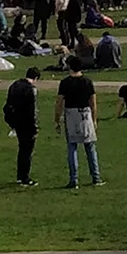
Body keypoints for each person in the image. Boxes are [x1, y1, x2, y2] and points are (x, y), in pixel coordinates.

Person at [55, 56, 102, 189]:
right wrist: (94, 119)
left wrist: (57, 119)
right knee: (90, 147)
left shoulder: (65, 83)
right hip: (85, 113)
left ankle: (73, 179)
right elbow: (93, 102)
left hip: (71, 114)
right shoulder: (87, 82)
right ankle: (96, 177)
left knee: (72, 147)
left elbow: (59, 102)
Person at [4, 66, 40, 187]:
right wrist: (35, 126)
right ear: (36, 78)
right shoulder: (31, 89)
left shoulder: (15, 85)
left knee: (22, 150)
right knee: (27, 151)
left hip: (16, 122)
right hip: (27, 123)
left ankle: (20, 176)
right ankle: (25, 177)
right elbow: (32, 110)